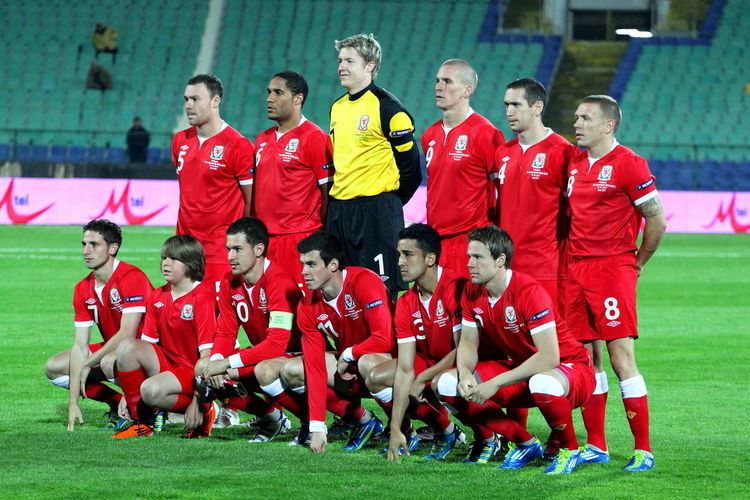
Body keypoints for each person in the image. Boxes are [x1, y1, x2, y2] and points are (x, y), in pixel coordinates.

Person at [434, 225, 595, 475]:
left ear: (500, 260)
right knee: (447, 383)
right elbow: (467, 342)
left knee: (543, 383)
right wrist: (465, 372)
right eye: (469, 257)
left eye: (478, 257)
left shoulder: (529, 292)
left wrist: (495, 383)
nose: (470, 264)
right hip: (523, 371)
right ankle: (524, 442)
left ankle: (570, 450)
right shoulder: (471, 291)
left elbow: (549, 357)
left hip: (569, 369)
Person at [563, 95, 666, 472]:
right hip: (575, 270)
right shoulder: (573, 162)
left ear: (608, 125)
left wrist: (636, 262)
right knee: (587, 359)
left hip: (611, 270)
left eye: (586, 118)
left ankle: (643, 449)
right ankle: (597, 445)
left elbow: (656, 220)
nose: (577, 123)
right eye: (576, 117)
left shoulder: (629, 164)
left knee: (621, 358)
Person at [280, 231, 394, 454]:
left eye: (311, 264)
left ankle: (403, 427)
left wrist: (350, 353)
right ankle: (362, 421)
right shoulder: (307, 305)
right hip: (349, 367)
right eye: (303, 264)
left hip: (391, 363)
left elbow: (384, 338)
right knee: (293, 369)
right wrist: (317, 426)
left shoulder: (364, 281)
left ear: (333, 264)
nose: (304, 272)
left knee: (367, 363)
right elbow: (313, 366)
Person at [326, 33, 421, 295]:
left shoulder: (388, 108)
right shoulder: (337, 108)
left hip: (377, 212)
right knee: (343, 292)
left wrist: (389, 202)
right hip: (341, 212)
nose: (341, 66)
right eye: (340, 60)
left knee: (380, 291)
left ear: (369, 66)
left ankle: (385, 338)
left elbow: (411, 168)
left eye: (349, 61)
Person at [194, 217, 304, 443]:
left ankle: (311, 422)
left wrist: (225, 364)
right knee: (203, 369)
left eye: (237, 249)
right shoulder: (229, 281)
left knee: (250, 370)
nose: (230, 256)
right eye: (228, 249)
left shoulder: (279, 282)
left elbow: (277, 344)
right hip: (267, 357)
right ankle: (272, 418)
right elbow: (225, 331)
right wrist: (216, 359)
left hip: (298, 357)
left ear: (258, 249)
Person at [43, 219, 152, 431]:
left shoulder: (132, 277)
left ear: (113, 248)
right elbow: (79, 346)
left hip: (148, 352)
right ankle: (116, 401)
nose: (86, 250)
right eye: (84, 244)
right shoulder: (82, 288)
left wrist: (87, 363)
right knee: (54, 367)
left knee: (107, 360)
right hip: (116, 351)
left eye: (94, 244)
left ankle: (142, 406)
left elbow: (127, 333)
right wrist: (72, 403)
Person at [372, 224, 464, 462]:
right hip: (431, 364)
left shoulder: (457, 288)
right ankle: (445, 431)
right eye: (399, 255)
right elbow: (404, 367)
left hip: (465, 364)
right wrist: (395, 429)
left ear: (430, 258)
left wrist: (423, 378)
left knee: (442, 382)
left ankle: (489, 438)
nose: (400, 262)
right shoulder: (406, 302)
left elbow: (465, 350)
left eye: (408, 255)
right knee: (376, 377)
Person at [111, 235, 217, 438]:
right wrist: (129, 393)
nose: (165, 264)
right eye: (164, 258)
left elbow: (207, 357)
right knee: (125, 348)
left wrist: (198, 401)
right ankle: (142, 422)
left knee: (150, 391)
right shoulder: (157, 295)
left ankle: (206, 410)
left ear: (190, 264)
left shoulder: (203, 297)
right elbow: (145, 345)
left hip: (192, 369)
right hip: (168, 363)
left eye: (172, 259)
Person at [494, 78, 577, 306]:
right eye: (506, 105)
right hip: (507, 266)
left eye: (516, 105)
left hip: (547, 268)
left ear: (537, 107)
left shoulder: (564, 153)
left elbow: (576, 213)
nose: (509, 111)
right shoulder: (503, 153)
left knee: (553, 339)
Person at [422, 59, 504, 278]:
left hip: (470, 242)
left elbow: (501, 190)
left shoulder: (486, 133)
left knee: (470, 310)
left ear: (467, 90)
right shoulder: (429, 135)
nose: (439, 86)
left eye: (447, 81)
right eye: (437, 81)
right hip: (436, 241)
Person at [172, 74, 255, 290]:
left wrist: (240, 244)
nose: (188, 105)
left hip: (219, 251)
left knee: (218, 318)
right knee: (183, 318)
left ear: (215, 101)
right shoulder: (180, 140)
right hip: (184, 249)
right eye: (186, 99)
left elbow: (250, 202)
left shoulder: (238, 145)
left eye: (195, 99)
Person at [253, 71, 333, 285]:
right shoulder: (262, 139)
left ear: (298, 98)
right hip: (264, 240)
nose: (270, 98)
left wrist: (319, 233)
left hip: (299, 239)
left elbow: (329, 193)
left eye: (279, 93)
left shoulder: (315, 137)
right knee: (266, 306)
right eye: (269, 92)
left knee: (298, 306)